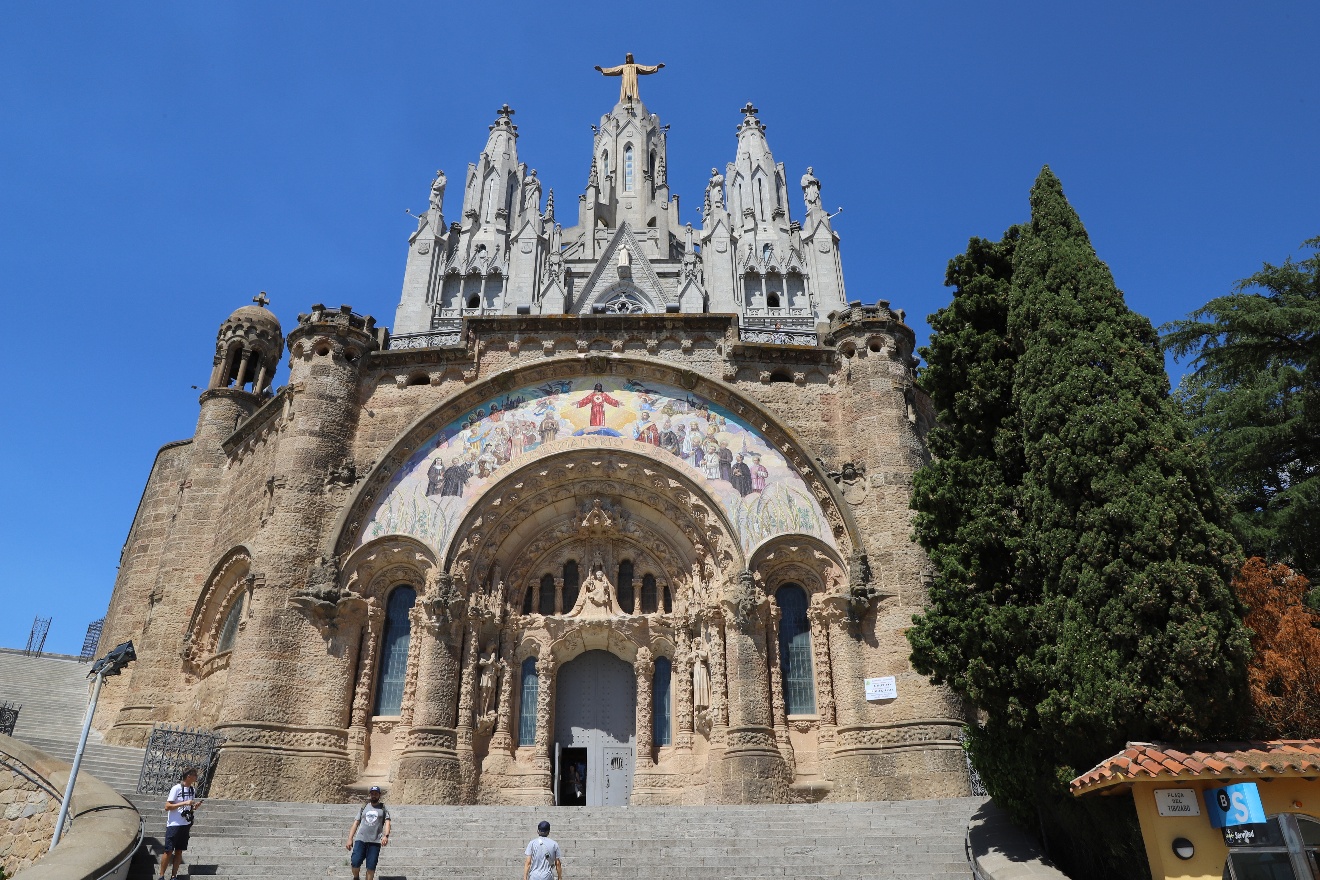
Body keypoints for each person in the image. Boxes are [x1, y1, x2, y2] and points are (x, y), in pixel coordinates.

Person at [160, 768, 201, 880]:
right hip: (174, 824)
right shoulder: (176, 788)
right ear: (188, 776)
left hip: (185, 824)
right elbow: (167, 807)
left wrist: (194, 807)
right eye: (195, 775)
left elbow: (189, 807)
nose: (196, 777)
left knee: (179, 851)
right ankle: (161, 876)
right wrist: (184, 802)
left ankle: (174, 876)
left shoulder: (192, 789)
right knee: (168, 851)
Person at [345, 785, 391, 880]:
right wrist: (350, 839)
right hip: (361, 840)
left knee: (371, 867)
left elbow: (387, 822)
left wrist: (386, 836)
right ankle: (356, 877)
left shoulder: (383, 808)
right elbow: (355, 823)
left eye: (376, 794)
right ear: (370, 795)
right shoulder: (364, 807)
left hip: (375, 841)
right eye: (372, 793)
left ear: (379, 795)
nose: (374, 795)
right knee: (355, 862)